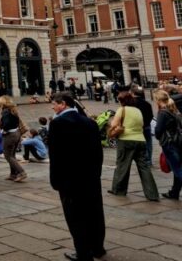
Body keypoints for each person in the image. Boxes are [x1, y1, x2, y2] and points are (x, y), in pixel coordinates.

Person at [49, 92, 105, 261]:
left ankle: (83, 252)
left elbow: (56, 155)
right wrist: (96, 173)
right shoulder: (90, 122)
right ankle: (97, 247)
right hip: (91, 177)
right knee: (95, 212)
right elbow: (98, 152)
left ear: (63, 104)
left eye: (54, 103)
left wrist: (56, 180)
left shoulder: (57, 123)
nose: (52, 106)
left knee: (75, 216)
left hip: (69, 179)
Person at [109, 91, 159, 201]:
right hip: (140, 140)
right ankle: (152, 194)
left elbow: (114, 125)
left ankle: (118, 189)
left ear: (122, 101)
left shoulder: (122, 110)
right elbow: (142, 124)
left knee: (123, 166)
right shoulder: (138, 111)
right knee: (144, 167)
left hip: (126, 140)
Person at [153, 90, 182, 199]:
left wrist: (157, 135)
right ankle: (174, 192)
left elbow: (158, 130)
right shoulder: (174, 109)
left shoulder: (163, 112)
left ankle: (174, 192)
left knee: (178, 169)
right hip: (178, 142)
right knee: (177, 168)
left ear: (158, 100)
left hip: (169, 144)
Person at [0, 96, 27, 182]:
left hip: (10, 135)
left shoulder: (5, 112)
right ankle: (13, 174)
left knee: (8, 156)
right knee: (12, 155)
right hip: (17, 133)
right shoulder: (13, 110)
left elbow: (6, 125)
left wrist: (1, 125)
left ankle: (22, 172)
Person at [130, 87, 154, 166]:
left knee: (138, 145)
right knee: (148, 144)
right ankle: (148, 160)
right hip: (146, 126)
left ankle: (141, 160)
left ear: (133, 93)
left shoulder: (131, 104)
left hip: (137, 127)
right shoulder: (147, 104)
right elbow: (151, 116)